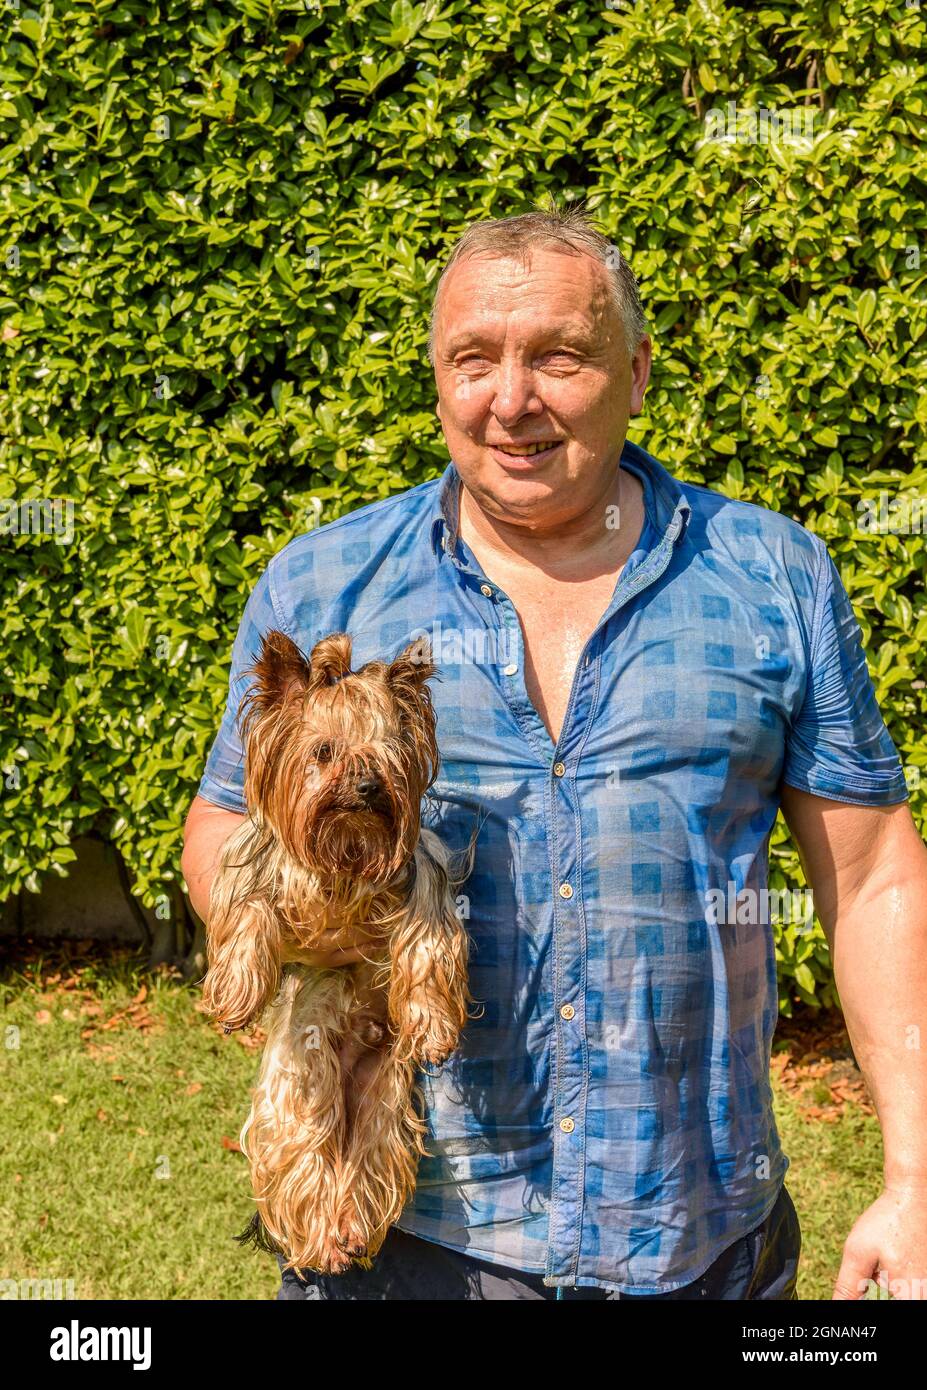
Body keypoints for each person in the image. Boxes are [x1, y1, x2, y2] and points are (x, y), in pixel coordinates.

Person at [182, 207, 927, 1301]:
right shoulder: (322, 582)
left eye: (559, 356)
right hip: (406, 1243)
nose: (511, 398)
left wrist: (913, 1174)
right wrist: (301, 924)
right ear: (438, 378)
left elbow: (872, 881)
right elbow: (221, 831)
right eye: (473, 359)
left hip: (699, 1242)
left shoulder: (776, 578)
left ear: (636, 369)